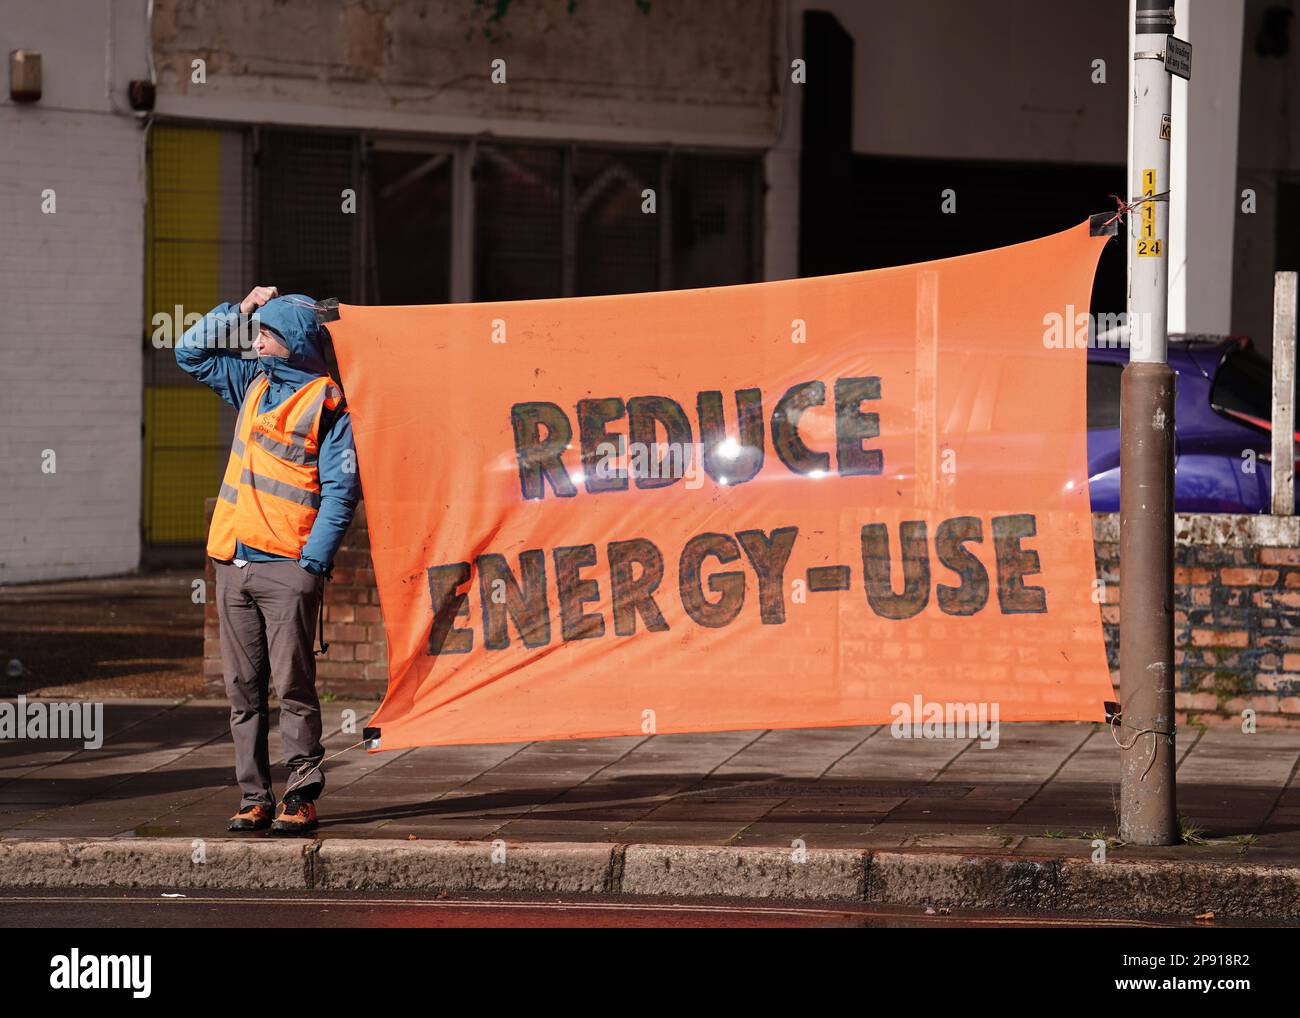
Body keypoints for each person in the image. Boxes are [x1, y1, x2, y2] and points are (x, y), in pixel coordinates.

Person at [176, 286, 360, 834]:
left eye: (266, 333)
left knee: (295, 688)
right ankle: (254, 796)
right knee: (243, 691)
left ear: (294, 342)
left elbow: (341, 491)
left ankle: (301, 796)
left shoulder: (328, 404)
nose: (256, 340)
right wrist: (242, 309)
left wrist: (312, 566)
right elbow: (189, 352)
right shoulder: (251, 384)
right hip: (232, 561)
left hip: (287, 568)